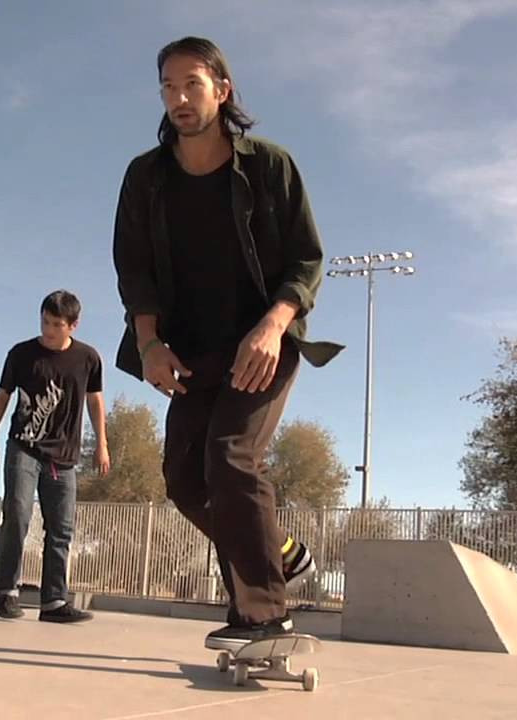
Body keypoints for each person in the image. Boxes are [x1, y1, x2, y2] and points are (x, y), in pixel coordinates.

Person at [111, 36, 344, 650]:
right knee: (185, 480)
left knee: (232, 457)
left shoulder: (269, 166)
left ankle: (265, 618)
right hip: (189, 350)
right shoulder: (146, 177)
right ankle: (281, 554)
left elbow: (307, 258)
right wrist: (150, 343)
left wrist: (273, 327)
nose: (178, 98)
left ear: (222, 89)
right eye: (167, 87)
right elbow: (133, 270)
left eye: (191, 84)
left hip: (261, 340)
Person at [0, 290, 110, 623]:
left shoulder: (88, 359)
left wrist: (102, 444)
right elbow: (2, 397)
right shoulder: (21, 354)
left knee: (62, 529)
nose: (48, 330)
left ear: (73, 326)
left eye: (56, 325)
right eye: (44, 322)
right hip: (24, 447)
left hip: (63, 456)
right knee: (18, 514)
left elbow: (95, 400)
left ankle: (53, 603)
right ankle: (6, 590)